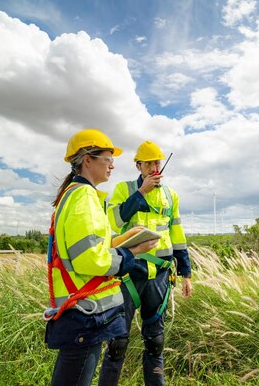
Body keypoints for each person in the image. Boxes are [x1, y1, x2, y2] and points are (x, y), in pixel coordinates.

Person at [44, 129, 157, 386]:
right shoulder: (83, 196)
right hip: (84, 312)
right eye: (107, 158)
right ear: (88, 160)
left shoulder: (80, 195)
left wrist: (124, 238)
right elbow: (90, 260)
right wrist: (132, 253)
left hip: (82, 310)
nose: (113, 165)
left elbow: (92, 247)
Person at [99, 141, 192, 386]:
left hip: (159, 278)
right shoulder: (123, 189)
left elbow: (178, 235)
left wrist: (186, 273)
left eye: (157, 162)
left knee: (155, 341)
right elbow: (113, 223)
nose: (154, 167)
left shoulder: (171, 196)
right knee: (117, 343)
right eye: (148, 163)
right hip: (129, 275)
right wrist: (140, 195)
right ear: (138, 166)